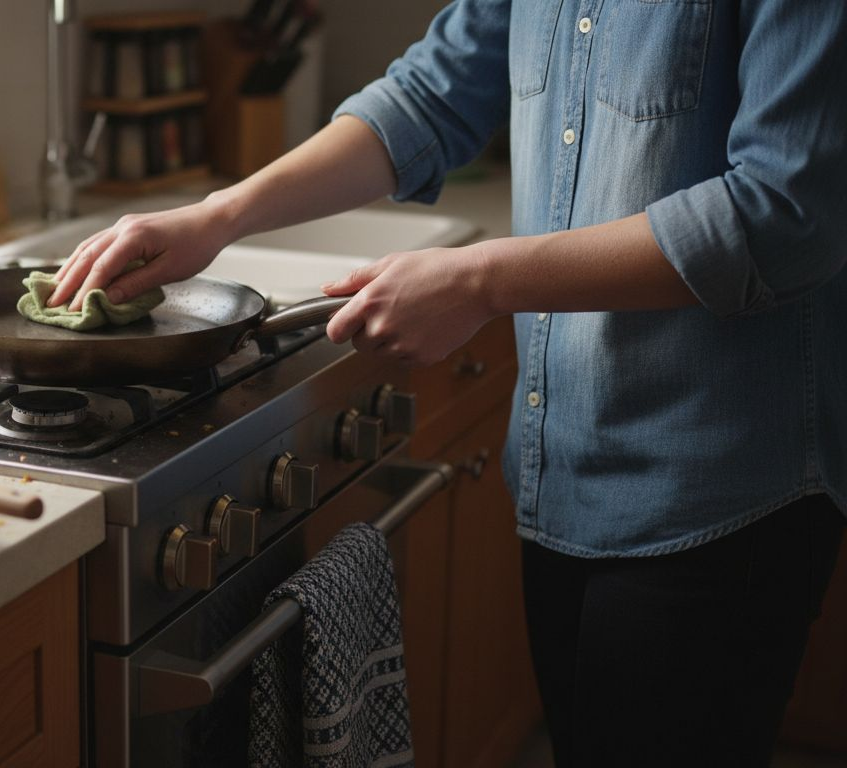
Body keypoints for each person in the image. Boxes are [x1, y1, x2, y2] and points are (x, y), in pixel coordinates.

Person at [50, 1, 847, 764]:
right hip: (565, 466)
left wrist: (480, 282)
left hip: (721, 486)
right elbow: (430, 96)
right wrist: (218, 216)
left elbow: (787, 215)